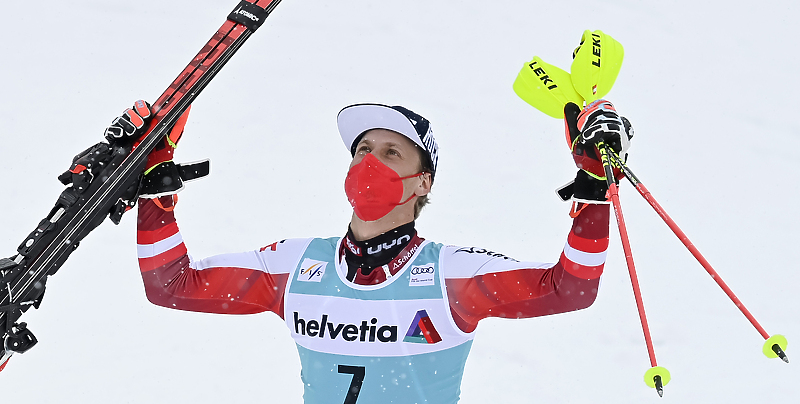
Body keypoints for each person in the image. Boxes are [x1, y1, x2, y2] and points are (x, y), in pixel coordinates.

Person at [107, 98, 632, 403]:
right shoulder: (296, 266)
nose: (369, 162)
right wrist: (157, 190)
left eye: (390, 152)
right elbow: (170, 287)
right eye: (362, 150)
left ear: (423, 183)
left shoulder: (450, 276)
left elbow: (571, 289)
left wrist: (592, 188)